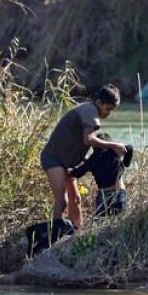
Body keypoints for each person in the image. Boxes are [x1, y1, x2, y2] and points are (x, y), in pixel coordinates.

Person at [39, 84, 127, 228]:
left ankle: (76, 231)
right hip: (54, 160)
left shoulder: (89, 110)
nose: (108, 114)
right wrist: (114, 145)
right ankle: (54, 234)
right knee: (62, 200)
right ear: (99, 102)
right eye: (108, 109)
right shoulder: (90, 112)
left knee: (76, 199)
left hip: (67, 164)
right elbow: (88, 139)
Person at [70, 132, 133, 217]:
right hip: (118, 193)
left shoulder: (92, 159)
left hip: (103, 195)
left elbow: (76, 173)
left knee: (101, 220)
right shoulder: (113, 153)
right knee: (118, 220)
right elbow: (129, 148)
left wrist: (74, 163)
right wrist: (125, 163)